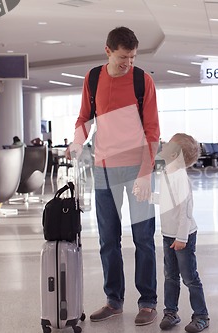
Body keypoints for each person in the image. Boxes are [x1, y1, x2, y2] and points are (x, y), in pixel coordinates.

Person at [66, 26, 160, 326]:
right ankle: (114, 301)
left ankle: (147, 302)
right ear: (108, 51)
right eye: (123, 57)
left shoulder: (141, 80)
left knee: (144, 238)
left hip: (137, 170)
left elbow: (152, 130)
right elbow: (85, 118)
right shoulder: (93, 78)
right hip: (104, 168)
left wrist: (145, 174)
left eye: (132, 57)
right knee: (108, 239)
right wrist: (78, 141)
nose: (128, 63)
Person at [150, 133, 210, 333]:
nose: (164, 145)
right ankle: (171, 312)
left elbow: (185, 210)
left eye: (169, 144)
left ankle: (201, 315)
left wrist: (182, 238)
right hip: (169, 234)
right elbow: (168, 201)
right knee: (170, 276)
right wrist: (149, 197)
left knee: (189, 277)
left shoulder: (179, 177)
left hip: (183, 236)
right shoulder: (167, 171)